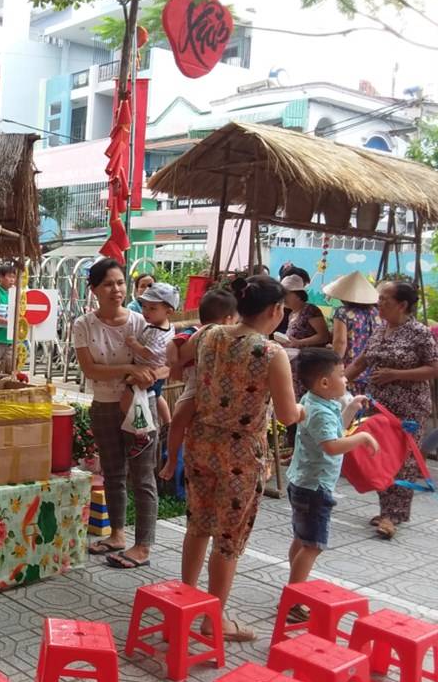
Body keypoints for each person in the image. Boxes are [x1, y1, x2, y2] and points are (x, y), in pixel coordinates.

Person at [177, 275, 303, 641]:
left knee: (198, 525)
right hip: (240, 453)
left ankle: (185, 605)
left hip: (200, 442)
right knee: (228, 539)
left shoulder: (210, 334)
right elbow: (286, 414)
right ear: (276, 311)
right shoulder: (270, 353)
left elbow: (181, 357)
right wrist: (303, 413)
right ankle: (213, 620)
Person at [73, 258, 168, 568]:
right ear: (94, 290)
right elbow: (90, 370)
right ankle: (117, 535)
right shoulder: (83, 325)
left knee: (142, 476)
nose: (116, 289)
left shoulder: (141, 323)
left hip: (140, 407)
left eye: (120, 283)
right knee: (112, 473)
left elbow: (164, 363)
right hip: (103, 406)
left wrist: (146, 374)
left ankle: (143, 545)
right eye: (108, 284)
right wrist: (130, 368)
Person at [344, 281, 438, 539]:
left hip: (409, 408)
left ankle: (392, 515)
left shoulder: (419, 332)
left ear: (402, 304)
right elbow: (362, 360)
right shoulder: (380, 329)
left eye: (385, 299)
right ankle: (386, 508)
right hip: (380, 404)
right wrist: (338, 382)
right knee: (379, 454)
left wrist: (396, 374)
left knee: (404, 460)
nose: (379, 303)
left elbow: (434, 367)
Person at [286, 348, 377, 600]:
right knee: (312, 545)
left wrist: (352, 407)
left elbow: (336, 430)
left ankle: (293, 586)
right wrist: (362, 437)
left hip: (303, 482)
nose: (346, 379)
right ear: (325, 382)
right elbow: (332, 445)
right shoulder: (321, 411)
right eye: (341, 374)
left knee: (301, 539)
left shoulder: (315, 401)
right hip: (315, 488)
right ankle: (294, 600)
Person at [159, 288, 238, 482]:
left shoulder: (234, 338)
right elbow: (172, 345)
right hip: (197, 383)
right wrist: (175, 364)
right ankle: (171, 461)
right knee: (178, 419)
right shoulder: (198, 331)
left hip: (219, 388)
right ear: (228, 319)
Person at [121, 282, 179, 455]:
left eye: (152, 308)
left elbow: (147, 353)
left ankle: (141, 435)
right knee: (158, 395)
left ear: (169, 311)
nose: (146, 312)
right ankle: (168, 422)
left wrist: (133, 344)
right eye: (144, 307)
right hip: (157, 373)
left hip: (147, 372)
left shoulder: (155, 332)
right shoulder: (167, 326)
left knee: (127, 401)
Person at [323, 271, 381, 395]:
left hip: (350, 371)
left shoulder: (343, 313)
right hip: (372, 371)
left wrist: (333, 366)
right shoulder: (376, 313)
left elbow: (340, 342)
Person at [281, 273, 329, 410]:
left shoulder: (310, 310)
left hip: (308, 362)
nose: (284, 299)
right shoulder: (291, 314)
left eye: (287, 294)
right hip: (294, 359)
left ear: (297, 295)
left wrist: (299, 343)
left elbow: (323, 336)